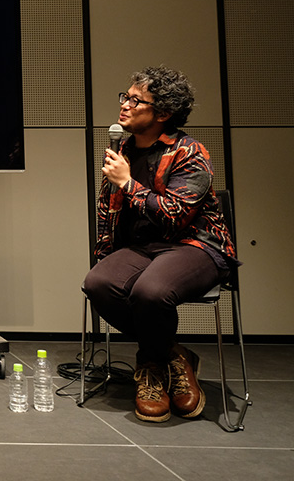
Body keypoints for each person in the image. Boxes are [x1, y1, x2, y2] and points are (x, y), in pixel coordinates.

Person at [84, 66, 238, 423]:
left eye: (137, 101)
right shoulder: (120, 149)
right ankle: (170, 355)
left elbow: (175, 216)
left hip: (195, 246)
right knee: (98, 284)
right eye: (125, 96)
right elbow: (108, 213)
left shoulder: (190, 152)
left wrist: (127, 183)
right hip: (142, 248)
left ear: (163, 113)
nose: (125, 105)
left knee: (150, 292)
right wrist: (105, 257)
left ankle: (151, 367)